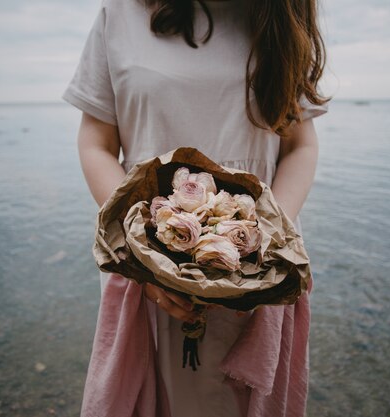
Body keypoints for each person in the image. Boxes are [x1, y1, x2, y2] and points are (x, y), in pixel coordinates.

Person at [62, 0, 329, 416]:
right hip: (147, 266)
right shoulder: (120, 14)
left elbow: (301, 145)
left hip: (260, 265)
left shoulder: (280, 16)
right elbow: (96, 145)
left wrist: (265, 244)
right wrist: (145, 259)